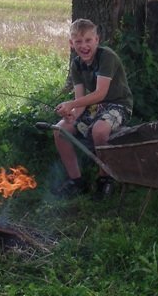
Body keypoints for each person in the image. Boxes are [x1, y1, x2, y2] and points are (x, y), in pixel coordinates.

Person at [53, 18, 133, 199]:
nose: (84, 46)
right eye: (78, 41)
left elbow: (100, 94)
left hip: (118, 105)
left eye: (88, 40)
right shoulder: (76, 64)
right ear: (71, 43)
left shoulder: (107, 57)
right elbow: (80, 100)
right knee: (60, 130)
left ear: (97, 40)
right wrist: (72, 115)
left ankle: (105, 178)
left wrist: (71, 105)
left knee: (99, 130)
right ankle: (76, 181)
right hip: (96, 107)